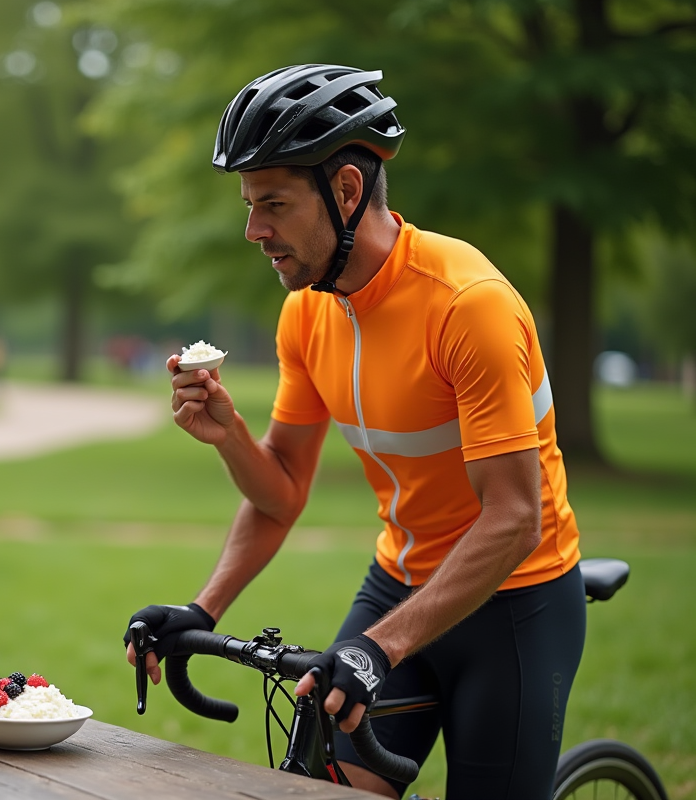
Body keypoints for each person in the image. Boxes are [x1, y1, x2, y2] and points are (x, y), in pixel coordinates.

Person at [123, 64, 584, 800]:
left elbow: (514, 518)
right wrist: (204, 600)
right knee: (321, 788)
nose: (253, 231)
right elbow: (281, 494)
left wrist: (380, 648)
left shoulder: (468, 306)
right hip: (395, 582)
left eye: (272, 203)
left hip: (513, 605)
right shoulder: (307, 311)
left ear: (344, 191)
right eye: (249, 206)